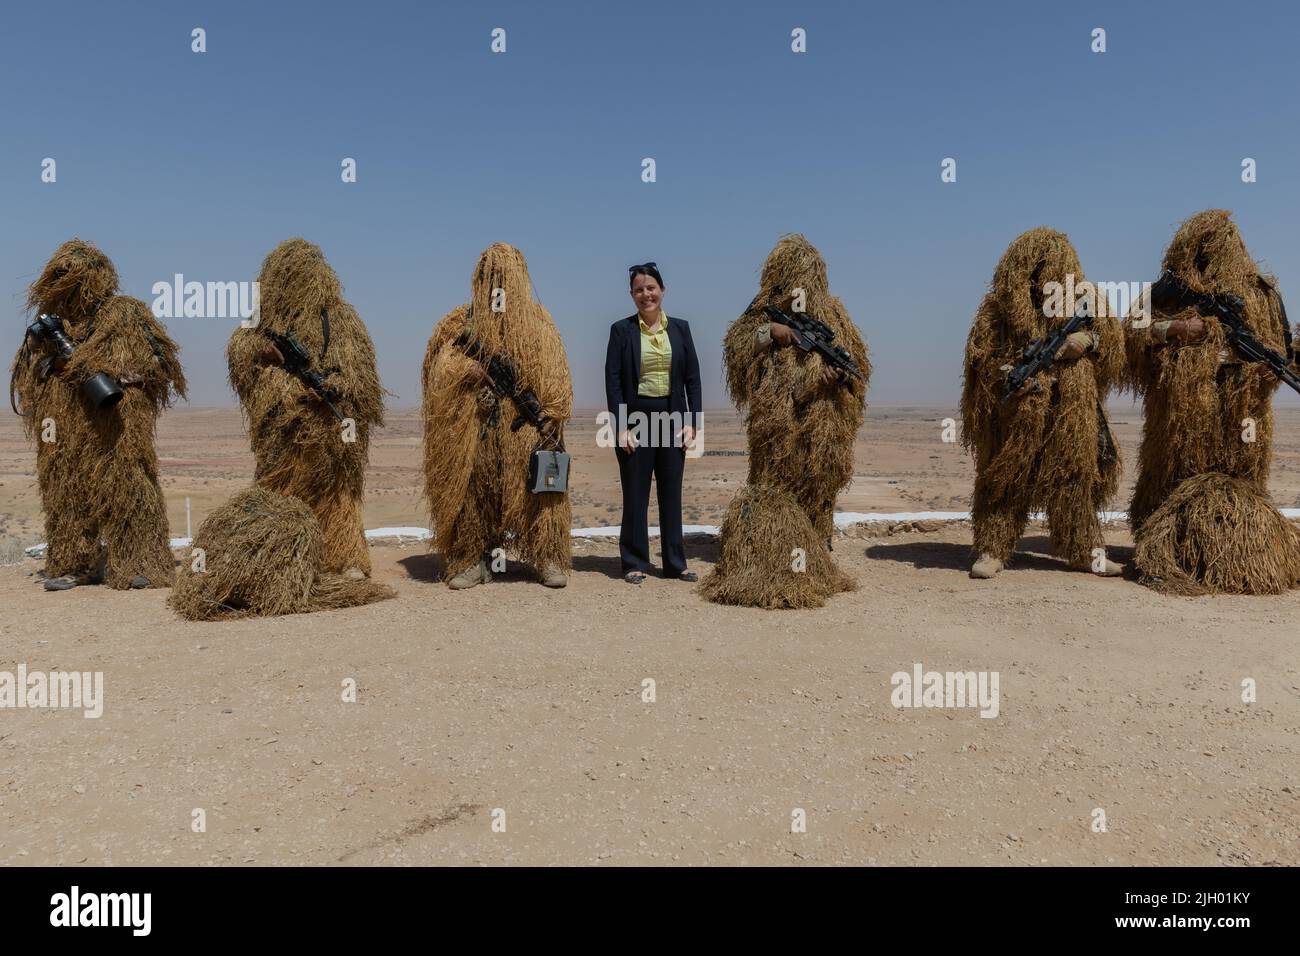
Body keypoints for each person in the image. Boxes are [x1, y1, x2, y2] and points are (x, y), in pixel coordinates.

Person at [1123, 209, 1300, 594]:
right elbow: (1130, 335)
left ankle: (1230, 556)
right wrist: (1177, 328)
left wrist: (1271, 370)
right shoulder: (1166, 291)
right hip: (1177, 414)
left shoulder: (1262, 295)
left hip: (1240, 414)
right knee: (1167, 482)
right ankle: (1167, 546)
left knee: (1239, 482)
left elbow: (1282, 349)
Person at [701, 234, 868, 608]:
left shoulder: (836, 318)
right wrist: (771, 333)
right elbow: (736, 347)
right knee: (775, 497)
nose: (802, 286)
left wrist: (835, 380)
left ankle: (815, 561)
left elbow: (858, 370)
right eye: (795, 276)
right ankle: (775, 563)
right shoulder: (762, 314)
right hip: (776, 434)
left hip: (823, 433)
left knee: (818, 500)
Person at [11, 238, 186, 591]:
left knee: (128, 488)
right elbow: (26, 374)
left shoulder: (125, 314)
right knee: (65, 493)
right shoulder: (48, 326)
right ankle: (74, 562)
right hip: (62, 430)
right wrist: (50, 361)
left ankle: (142, 562)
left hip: (117, 425)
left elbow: (161, 366)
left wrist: (105, 372)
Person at [960, 227, 1124, 580]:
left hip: (1072, 410)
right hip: (1017, 412)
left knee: (1075, 479)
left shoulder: (1088, 300)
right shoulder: (996, 309)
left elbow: (1114, 348)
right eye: (1035, 270)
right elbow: (980, 359)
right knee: (1004, 478)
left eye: (1051, 269)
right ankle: (993, 548)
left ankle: (1083, 551)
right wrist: (1008, 376)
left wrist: (1087, 339)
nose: (1042, 277)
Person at [227, 238, 384, 578]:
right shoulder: (259, 322)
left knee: (338, 493)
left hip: (329, 425)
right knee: (281, 493)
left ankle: (345, 558)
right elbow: (239, 355)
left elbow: (361, 376)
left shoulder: (340, 319)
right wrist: (264, 353)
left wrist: (332, 388)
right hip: (282, 430)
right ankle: (285, 559)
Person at [422, 242, 573, 589]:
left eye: (505, 277)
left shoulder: (539, 322)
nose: (498, 285)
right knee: (475, 494)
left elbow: (557, 374)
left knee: (541, 494)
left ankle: (547, 556)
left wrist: (551, 415)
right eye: (491, 277)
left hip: (526, 429)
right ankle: (473, 559)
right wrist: (467, 370)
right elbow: (438, 370)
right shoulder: (461, 322)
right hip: (477, 427)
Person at [604, 262, 702, 584]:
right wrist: (620, 427)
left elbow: (692, 378)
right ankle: (635, 561)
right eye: (638, 290)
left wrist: (692, 423)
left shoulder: (680, 329)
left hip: (673, 419)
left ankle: (675, 563)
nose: (645, 294)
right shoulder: (621, 331)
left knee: (671, 493)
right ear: (631, 295)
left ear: (662, 290)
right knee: (636, 493)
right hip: (635, 421)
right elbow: (614, 382)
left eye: (651, 288)